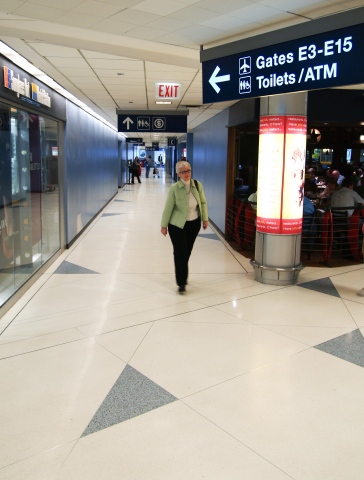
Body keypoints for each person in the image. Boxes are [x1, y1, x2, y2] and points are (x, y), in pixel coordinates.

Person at [160, 160, 208, 293]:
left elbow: (203, 203)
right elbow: (168, 208)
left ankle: (181, 272)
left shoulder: (197, 185)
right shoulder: (174, 189)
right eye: (183, 172)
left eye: (188, 171)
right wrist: (164, 225)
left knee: (187, 252)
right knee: (180, 252)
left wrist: (205, 219)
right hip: (177, 225)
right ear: (178, 174)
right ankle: (181, 282)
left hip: (194, 224)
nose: (186, 174)